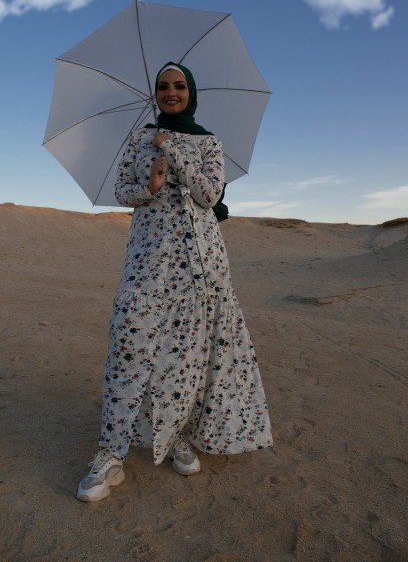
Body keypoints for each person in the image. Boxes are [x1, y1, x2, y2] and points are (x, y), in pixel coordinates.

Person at [77, 61, 272, 502]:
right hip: (148, 258)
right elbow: (122, 192)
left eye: (179, 85)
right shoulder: (139, 139)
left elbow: (209, 195)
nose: (171, 92)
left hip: (200, 262)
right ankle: (111, 453)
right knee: (130, 337)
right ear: (155, 94)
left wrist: (176, 154)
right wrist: (150, 184)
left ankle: (178, 433)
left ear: (191, 91)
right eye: (163, 87)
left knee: (188, 350)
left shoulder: (209, 142)